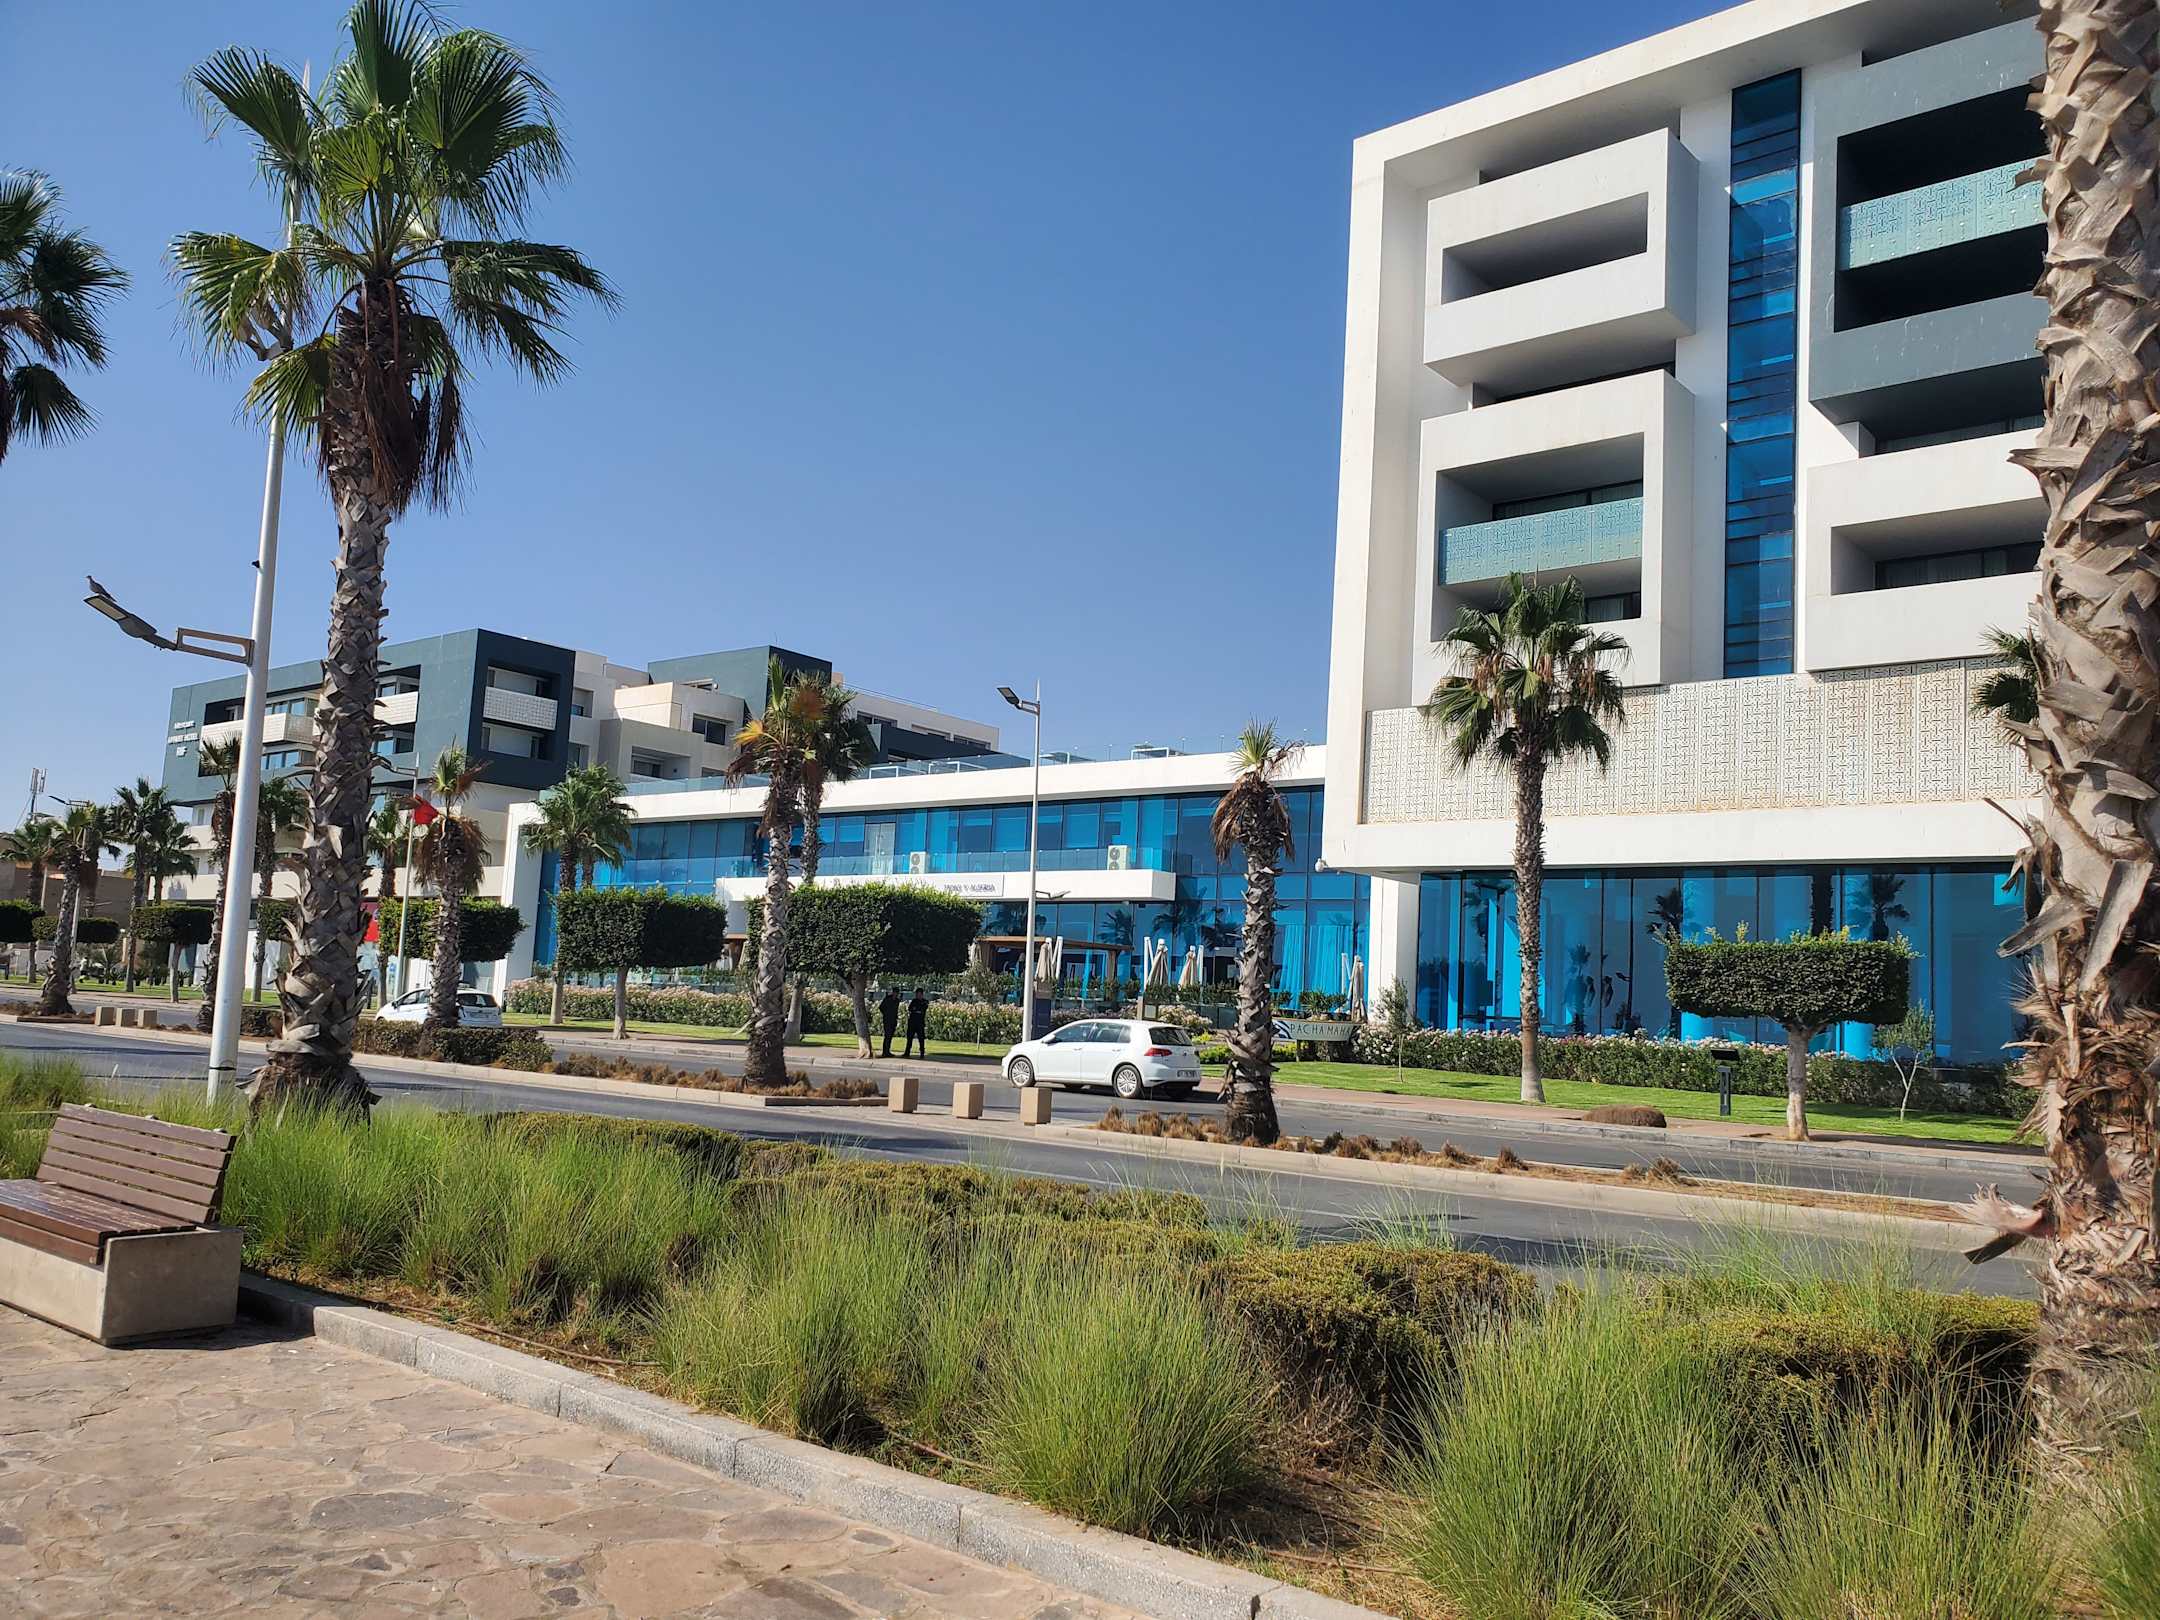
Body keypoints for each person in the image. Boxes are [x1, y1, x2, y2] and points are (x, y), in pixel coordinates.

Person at [903, 987, 929, 1059]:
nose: (918, 996)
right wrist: (916, 1010)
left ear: (922, 994)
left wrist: (916, 1009)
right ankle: (907, 1052)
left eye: (919, 994)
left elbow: (923, 1009)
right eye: (917, 994)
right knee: (909, 1038)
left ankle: (922, 1053)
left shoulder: (924, 1001)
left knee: (921, 1038)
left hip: (920, 1023)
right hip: (912, 1022)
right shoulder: (914, 1001)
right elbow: (910, 1008)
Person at [879, 985, 902, 1058]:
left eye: (897, 993)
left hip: (893, 1020)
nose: (896, 994)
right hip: (887, 1020)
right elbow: (881, 1007)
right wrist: (886, 1014)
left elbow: (896, 1010)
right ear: (893, 992)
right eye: (895, 992)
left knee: (890, 1036)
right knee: (887, 1036)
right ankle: (884, 1052)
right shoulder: (887, 999)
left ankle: (887, 1051)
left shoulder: (897, 1001)